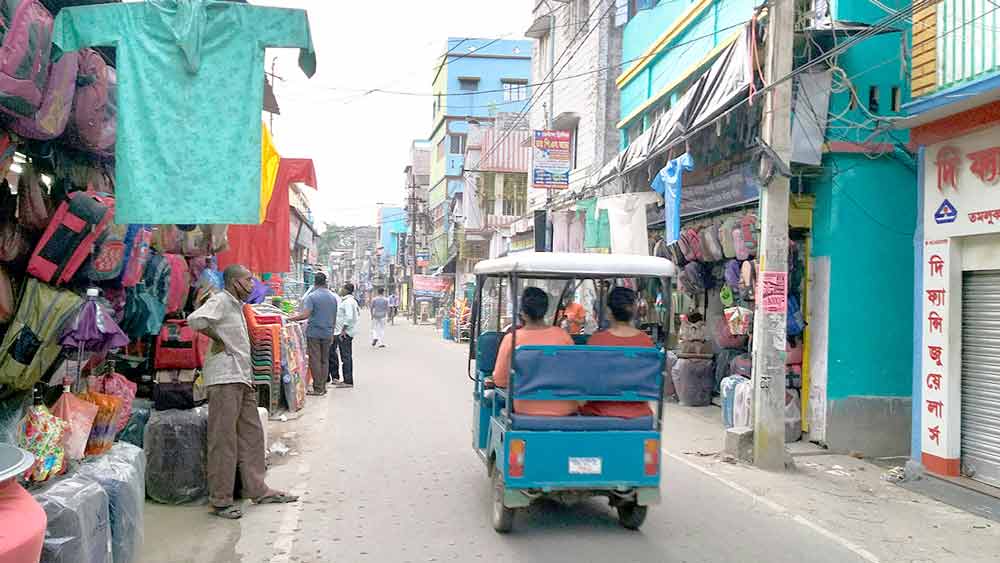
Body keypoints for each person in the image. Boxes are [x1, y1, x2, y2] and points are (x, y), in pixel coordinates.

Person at [187, 264, 298, 519]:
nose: (251, 285)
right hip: (224, 378)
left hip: (241, 377)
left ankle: (258, 489)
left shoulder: (237, 305)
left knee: (252, 434)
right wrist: (217, 337)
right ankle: (220, 499)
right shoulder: (222, 301)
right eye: (248, 280)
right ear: (234, 282)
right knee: (223, 439)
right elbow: (195, 320)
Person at [492, 287, 575, 416]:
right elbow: (573, 375)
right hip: (565, 407)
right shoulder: (563, 336)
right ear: (545, 311)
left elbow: (499, 380)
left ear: (523, 313)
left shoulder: (512, 339)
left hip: (526, 408)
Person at [581, 286, 654, 419]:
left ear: (609, 312)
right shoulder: (645, 341)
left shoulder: (596, 340)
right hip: (638, 411)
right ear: (634, 311)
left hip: (599, 411)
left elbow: (587, 380)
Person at [288, 273, 338, 396]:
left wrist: (291, 319)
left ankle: (317, 388)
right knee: (324, 360)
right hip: (327, 332)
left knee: (315, 360)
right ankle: (323, 387)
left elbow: (306, 314)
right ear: (325, 282)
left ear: (315, 283)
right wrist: (331, 333)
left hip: (314, 332)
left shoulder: (312, 296)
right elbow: (334, 317)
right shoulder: (332, 297)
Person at [330, 282, 359, 388]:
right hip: (345, 332)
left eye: (342, 287)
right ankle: (346, 379)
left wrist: (343, 330)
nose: (340, 289)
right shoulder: (349, 301)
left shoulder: (348, 302)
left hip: (345, 333)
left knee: (345, 357)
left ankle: (348, 380)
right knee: (345, 356)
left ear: (346, 290)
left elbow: (349, 317)